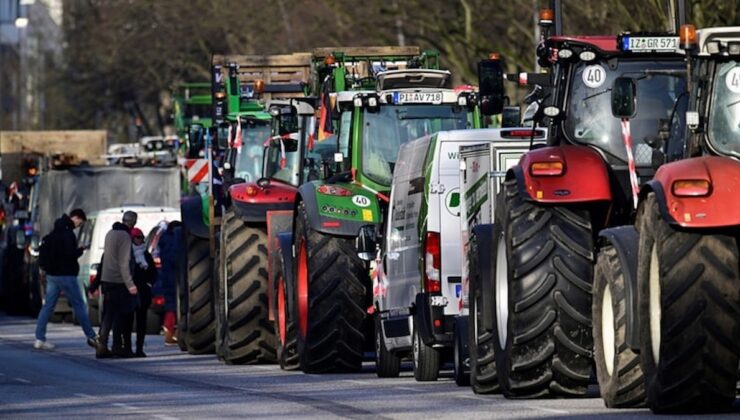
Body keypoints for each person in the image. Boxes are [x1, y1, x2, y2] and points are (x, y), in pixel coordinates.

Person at [34, 209, 101, 351]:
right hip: (66, 275)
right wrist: (80, 250)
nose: (78, 226)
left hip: (52, 275)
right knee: (79, 305)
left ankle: (39, 338)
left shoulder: (55, 231)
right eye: (80, 223)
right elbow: (69, 255)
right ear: (75, 218)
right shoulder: (68, 234)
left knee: (47, 307)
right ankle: (91, 336)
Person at [98, 210, 138, 358]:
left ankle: (102, 345)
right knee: (121, 316)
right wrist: (130, 284)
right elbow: (124, 262)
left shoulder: (110, 234)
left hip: (107, 280)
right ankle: (117, 346)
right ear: (133, 221)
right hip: (120, 281)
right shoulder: (125, 236)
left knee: (108, 315)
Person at [124, 227, 157, 357]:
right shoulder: (127, 254)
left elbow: (153, 272)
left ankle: (139, 348)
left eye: (142, 237)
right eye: (138, 237)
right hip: (130, 290)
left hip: (143, 291)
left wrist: (149, 283)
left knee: (142, 321)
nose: (141, 240)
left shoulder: (146, 255)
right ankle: (127, 347)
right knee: (128, 319)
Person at [158, 220, 182, 346]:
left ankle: (169, 332)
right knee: (174, 306)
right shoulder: (174, 241)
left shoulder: (164, 240)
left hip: (167, 276)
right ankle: (171, 333)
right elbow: (174, 258)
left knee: (170, 306)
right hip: (174, 276)